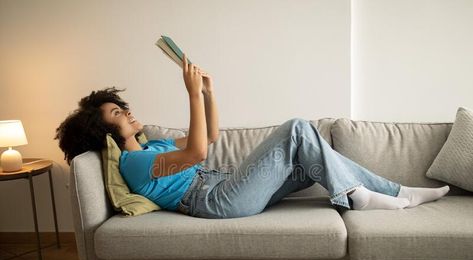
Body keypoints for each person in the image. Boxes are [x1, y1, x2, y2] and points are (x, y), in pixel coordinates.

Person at [55, 53, 450, 219]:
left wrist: (208, 93)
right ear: (105, 130)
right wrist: (190, 93)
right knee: (297, 127)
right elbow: (195, 154)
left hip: (224, 184)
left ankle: (396, 193)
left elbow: (208, 138)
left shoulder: (153, 146)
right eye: (116, 113)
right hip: (216, 201)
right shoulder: (133, 162)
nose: (126, 111)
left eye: (121, 106)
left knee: (312, 160)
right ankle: (360, 196)